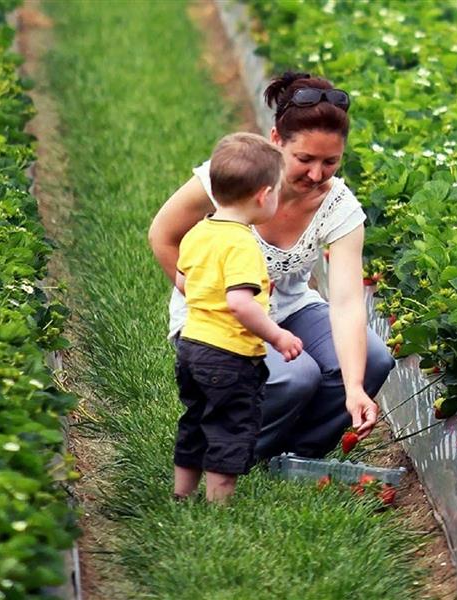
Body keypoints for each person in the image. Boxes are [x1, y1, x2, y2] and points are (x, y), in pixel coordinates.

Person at [149, 71, 395, 461]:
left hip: (290, 310)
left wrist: (353, 387)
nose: (316, 175)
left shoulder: (339, 207)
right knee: (296, 378)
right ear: (276, 140)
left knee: (374, 359)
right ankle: (230, 452)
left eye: (330, 161)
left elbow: (347, 304)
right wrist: (197, 291)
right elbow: (162, 234)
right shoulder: (233, 177)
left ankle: (296, 455)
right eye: (304, 159)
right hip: (221, 313)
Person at [173, 132, 303, 502]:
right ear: (263, 195)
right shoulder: (243, 242)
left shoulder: (200, 231)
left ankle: (182, 496)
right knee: (229, 429)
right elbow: (240, 304)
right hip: (228, 355)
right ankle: (219, 509)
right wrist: (277, 336)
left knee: (195, 422)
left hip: (191, 345)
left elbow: (185, 281)